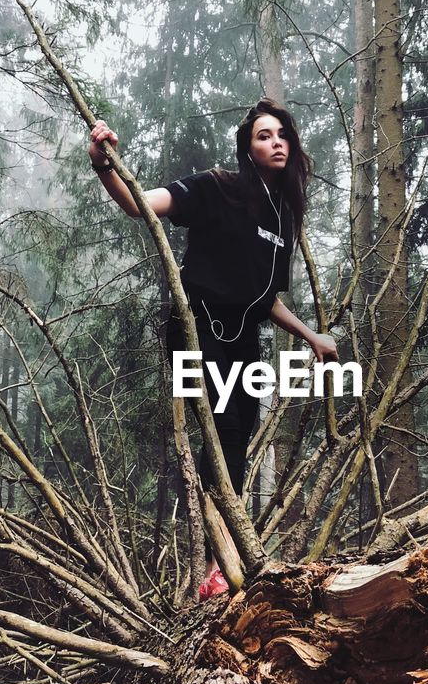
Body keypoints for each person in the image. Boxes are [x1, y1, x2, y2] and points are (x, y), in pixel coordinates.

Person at [88, 98, 337, 598]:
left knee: (240, 430)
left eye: (283, 134)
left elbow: (266, 298)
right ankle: (212, 563)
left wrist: (311, 336)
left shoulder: (284, 219)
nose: (277, 142)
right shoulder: (217, 187)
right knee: (220, 426)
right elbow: (139, 203)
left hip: (242, 335)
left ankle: (221, 558)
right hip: (194, 326)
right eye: (265, 135)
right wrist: (103, 163)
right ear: (248, 147)